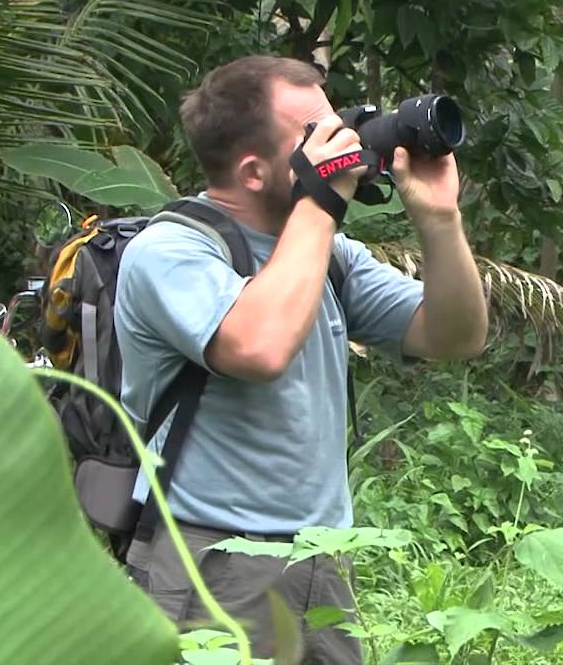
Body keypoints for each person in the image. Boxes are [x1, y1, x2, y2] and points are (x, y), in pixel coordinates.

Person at [113, 54, 489, 662]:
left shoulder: (332, 256)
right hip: (213, 565)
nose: (342, 143)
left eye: (337, 124)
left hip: (324, 560)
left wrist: (440, 219)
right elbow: (260, 348)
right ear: (254, 172)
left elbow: (455, 336)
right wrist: (321, 199)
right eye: (316, 134)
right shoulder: (169, 251)